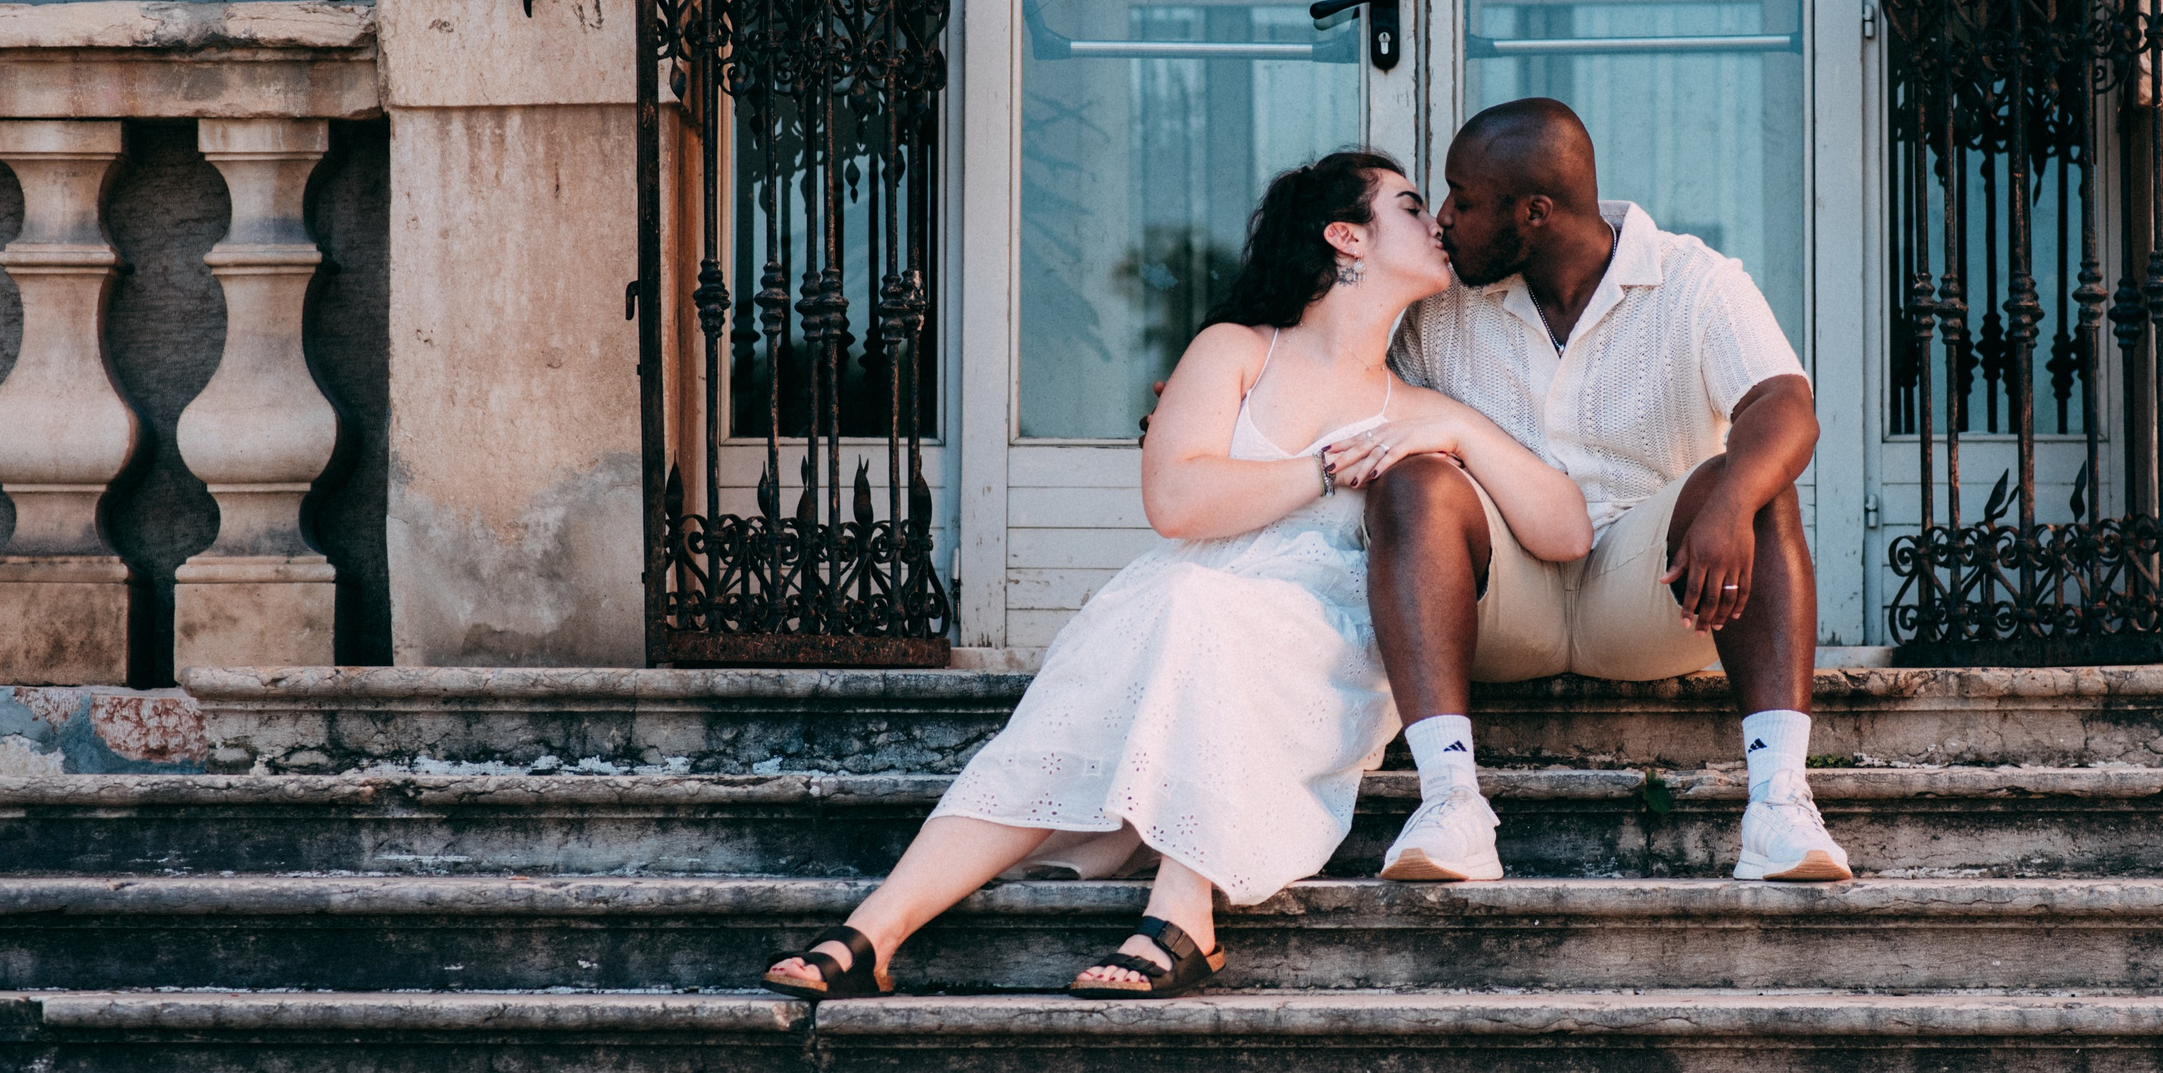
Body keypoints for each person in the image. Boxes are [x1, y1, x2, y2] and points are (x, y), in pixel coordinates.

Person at [758, 150, 1590, 1001]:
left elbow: (1564, 529)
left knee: (1206, 613)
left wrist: (1458, 438)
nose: (1438, 224)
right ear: (1347, 237)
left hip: (1317, 639)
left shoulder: (1415, 406)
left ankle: (1184, 908)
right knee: (1134, 657)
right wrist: (1326, 471)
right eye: (1412, 207)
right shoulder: (1235, 351)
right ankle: (877, 926)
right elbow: (1178, 499)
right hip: (1187, 602)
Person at [1356, 96, 1848, 887]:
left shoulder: (1692, 278)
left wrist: (1725, 504)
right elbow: (1347, 394)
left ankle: (1780, 804)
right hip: (1497, 605)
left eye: (1464, 199)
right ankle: (1451, 806)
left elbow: (1785, 404)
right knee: (1412, 482)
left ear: (1537, 213)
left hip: (1656, 593)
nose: (1441, 218)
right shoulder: (1439, 304)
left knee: (1757, 479)